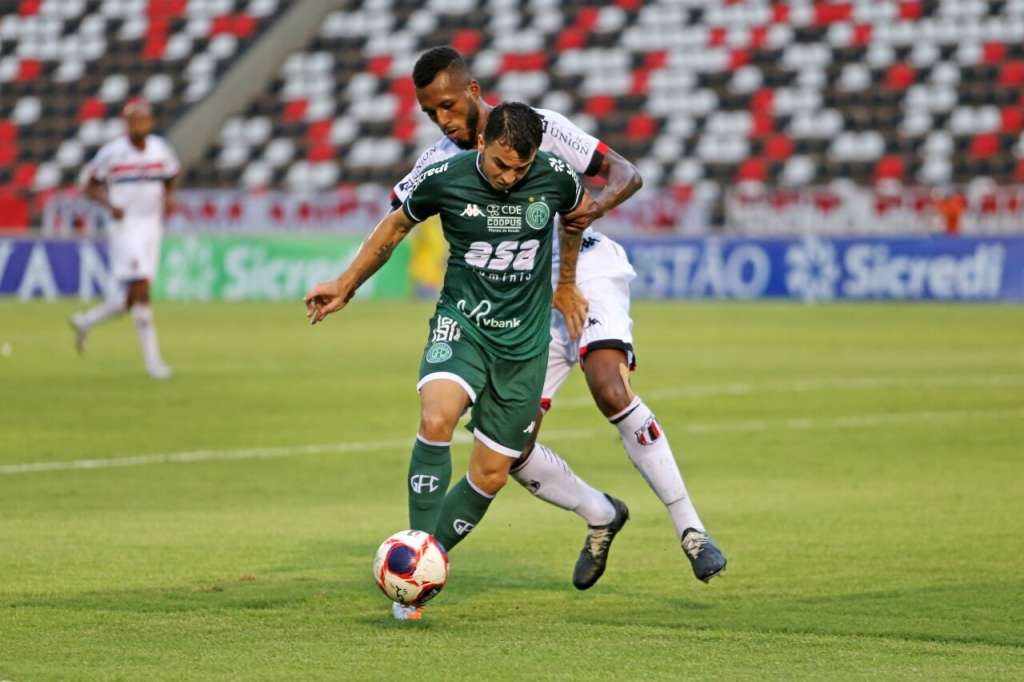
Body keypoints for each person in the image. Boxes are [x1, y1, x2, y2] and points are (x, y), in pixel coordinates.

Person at [392, 47, 726, 590]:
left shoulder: (544, 128)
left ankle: (691, 530)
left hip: (584, 273)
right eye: (432, 114)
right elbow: (395, 216)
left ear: (473, 92)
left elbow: (624, 172)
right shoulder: (440, 160)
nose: (444, 121)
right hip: (516, 303)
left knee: (609, 388)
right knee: (509, 451)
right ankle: (600, 512)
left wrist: (579, 223)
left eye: (448, 107)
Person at [305, 102, 593, 620]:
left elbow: (578, 214)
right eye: (502, 164)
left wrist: (567, 283)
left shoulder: (555, 178)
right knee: (437, 416)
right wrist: (344, 286)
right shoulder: (444, 177)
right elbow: (392, 230)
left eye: (520, 169)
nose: (510, 177)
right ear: (483, 144)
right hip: (462, 322)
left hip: (524, 346)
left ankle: (419, 565)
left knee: (491, 474)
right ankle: (415, 557)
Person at [70, 98, 178, 379]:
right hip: (125, 226)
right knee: (141, 286)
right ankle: (153, 362)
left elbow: (170, 176)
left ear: (150, 123)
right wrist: (109, 206)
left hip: (151, 226)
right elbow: (89, 185)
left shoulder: (159, 149)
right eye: (133, 120)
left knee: (132, 298)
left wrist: (168, 197)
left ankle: (86, 321)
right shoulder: (112, 153)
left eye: (143, 120)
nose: (138, 125)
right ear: (126, 123)